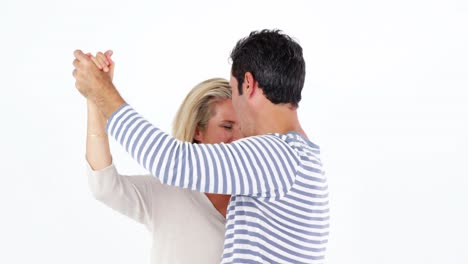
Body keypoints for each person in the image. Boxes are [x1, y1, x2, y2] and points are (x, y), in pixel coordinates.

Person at [73, 29, 329, 264]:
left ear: (248, 84)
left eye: (234, 90)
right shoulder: (301, 159)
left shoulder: (278, 155)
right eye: (227, 126)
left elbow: (172, 161)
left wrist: (101, 91)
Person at [86, 52, 240, 263]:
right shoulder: (169, 191)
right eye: (227, 126)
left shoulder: (255, 200)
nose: (239, 137)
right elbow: (105, 186)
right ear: (197, 131)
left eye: (245, 128)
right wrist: (97, 99)